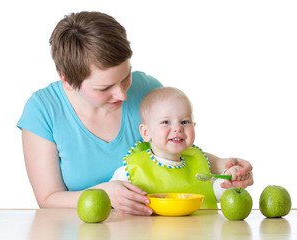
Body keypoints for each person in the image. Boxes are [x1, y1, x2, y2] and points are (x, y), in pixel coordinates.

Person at [17, 11, 253, 216]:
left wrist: (221, 166)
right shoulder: (43, 110)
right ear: (67, 81)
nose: (122, 94)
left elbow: (172, 151)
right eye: (104, 88)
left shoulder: (148, 89)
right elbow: (48, 198)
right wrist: (104, 193)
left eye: (126, 77)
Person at [110, 87, 245, 209]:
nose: (177, 128)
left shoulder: (199, 165)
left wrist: (228, 180)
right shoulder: (130, 172)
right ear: (146, 132)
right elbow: (111, 198)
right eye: (166, 122)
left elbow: (211, 194)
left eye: (185, 122)